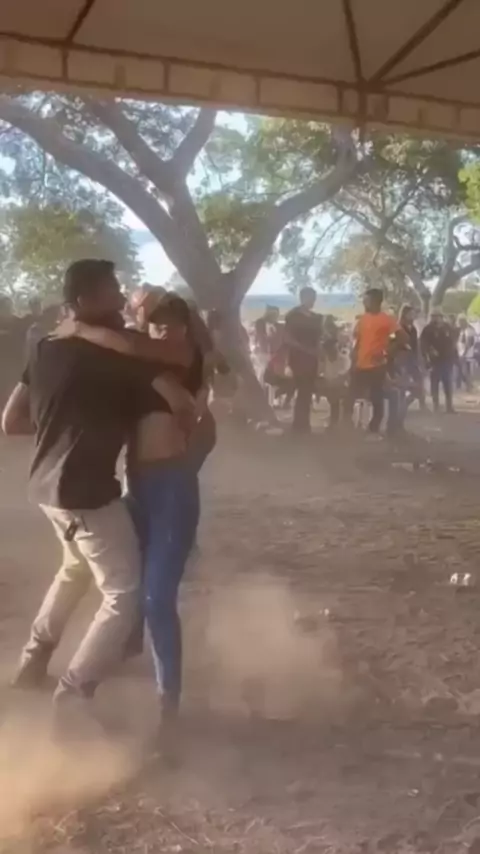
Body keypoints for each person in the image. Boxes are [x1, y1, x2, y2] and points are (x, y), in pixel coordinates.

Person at [1, 260, 189, 727]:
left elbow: (11, 421)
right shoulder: (117, 356)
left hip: (45, 487)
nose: (121, 297)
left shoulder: (44, 347)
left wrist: (59, 430)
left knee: (74, 568)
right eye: (112, 291)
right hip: (85, 492)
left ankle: (32, 661)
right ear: (85, 300)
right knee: (125, 595)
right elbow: (179, 373)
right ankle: (73, 694)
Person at [56, 291, 203, 735]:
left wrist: (80, 327)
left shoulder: (182, 357)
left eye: (172, 321)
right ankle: (101, 680)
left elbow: (194, 415)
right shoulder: (137, 365)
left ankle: (168, 709)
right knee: (131, 593)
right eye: (156, 321)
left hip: (172, 489)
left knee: (156, 599)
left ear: (186, 326)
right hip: (136, 487)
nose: (164, 328)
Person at [350, 288, 398, 435]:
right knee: (351, 395)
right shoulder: (363, 319)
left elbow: (400, 338)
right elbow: (358, 340)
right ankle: (348, 426)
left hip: (377, 366)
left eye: (367, 300)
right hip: (360, 365)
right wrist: (354, 355)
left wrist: (384, 352)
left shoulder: (386, 320)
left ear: (376, 301)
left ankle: (374, 429)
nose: (364, 302)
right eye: (364, 300)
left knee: (376, 398)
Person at [284, 287, 322, 433]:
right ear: (302, 298)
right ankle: (299, 425)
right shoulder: (293, 316)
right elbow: (288, 338)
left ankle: (303, 424)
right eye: (311, 298)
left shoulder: (316, 317)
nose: (313, 301)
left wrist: (318, 353)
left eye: (314, 298)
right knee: (302, 390)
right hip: (298, 358)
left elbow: (318, 339)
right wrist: (306, 349)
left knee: (307, 392)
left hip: (312, 359)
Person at [420, 309, 456, 413]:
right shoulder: (428, 329)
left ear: (441, 317)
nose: (435, 319)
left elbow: (452, 341)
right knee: (434, 383)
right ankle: (436, 405)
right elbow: (423, 343)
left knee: (448, 383)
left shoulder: (447, 327)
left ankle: (449, 406)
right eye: (433, 316)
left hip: (447, 360)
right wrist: (429, 351)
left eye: (437, 316)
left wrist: (453, 356)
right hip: (434, 361)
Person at [398, 304, 426, 411]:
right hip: (401, 360)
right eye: (411, 313)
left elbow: (415, 346)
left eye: (413, 313)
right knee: (402, 385)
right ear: (404, 314)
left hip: (412, 360)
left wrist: (419, 359)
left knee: (419, 382)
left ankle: (415, 403)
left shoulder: (413, 329)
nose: (413, 315)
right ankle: (400, 407)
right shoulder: (398, 327)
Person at [456, 314, 476, 391]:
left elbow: (469, 343)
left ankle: (469, 386)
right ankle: (467, 385)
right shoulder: (463, 330)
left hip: (467, 354)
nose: (459, 324)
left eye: (459, 322)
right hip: (461, 352)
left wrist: (464, 353)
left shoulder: (469, 330)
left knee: (465, 370)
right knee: (461, 370)